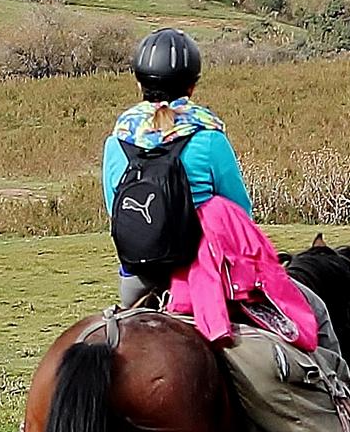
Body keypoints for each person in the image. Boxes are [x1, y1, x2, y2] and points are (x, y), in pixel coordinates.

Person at [103, 27, 252, 310]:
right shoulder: (209, 137)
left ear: (139, 85)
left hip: (137, 275)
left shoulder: (117, 141)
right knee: (309, 313)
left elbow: (116, 211)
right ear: (192, 87)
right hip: (205, 275)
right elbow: (240, 213)